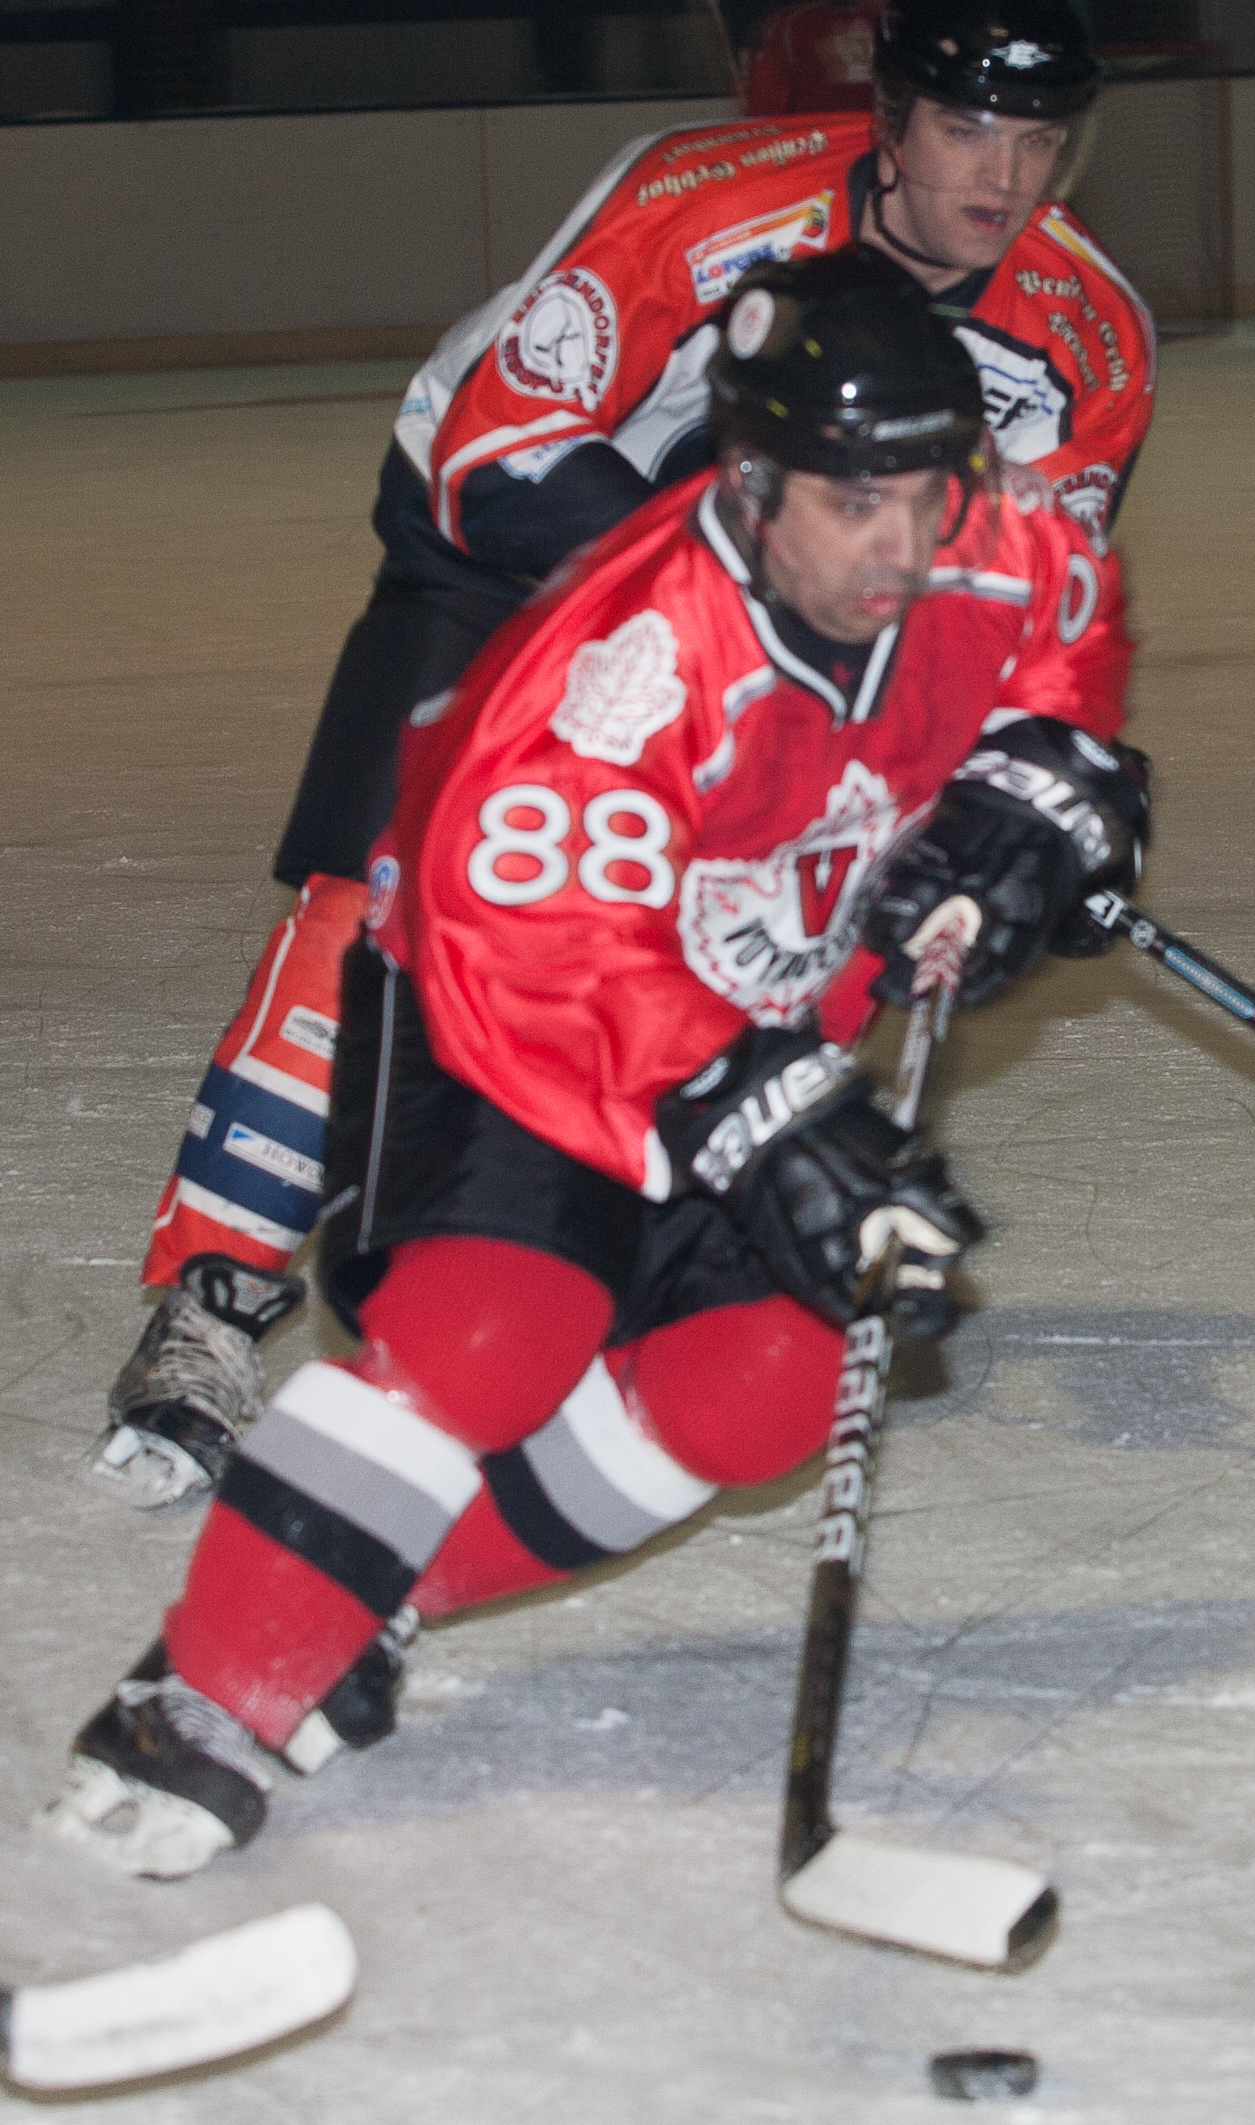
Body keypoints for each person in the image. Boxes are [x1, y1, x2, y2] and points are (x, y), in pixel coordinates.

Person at [43, 252, 1148, 1880]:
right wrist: (762, 1112)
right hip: (500, 1007)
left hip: (746, 1022)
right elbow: (550, 952)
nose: (903, 545)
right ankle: (197, 1699)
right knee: (494, 1326)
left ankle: (373, 1590)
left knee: (774, 1375)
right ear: (749, 482)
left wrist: (1035, 798)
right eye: (855, 504)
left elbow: (1064, 631)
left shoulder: (988, 536)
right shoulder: (625, 659)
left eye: (926, 493)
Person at [97, 0, 1156, 1514]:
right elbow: (502, 441)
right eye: (963, 130)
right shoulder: (707, 198)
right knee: (379, 901)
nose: (1001, 178)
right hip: (510, 553)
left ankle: (590, 1269)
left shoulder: (1088, 334)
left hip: (783, 632)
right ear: (890, 116)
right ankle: (214, 1294)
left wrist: (1035, 798)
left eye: (1038, 140)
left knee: (750, 931)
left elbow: (1013, 601)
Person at [743, 0, 883, 115]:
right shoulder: (788, 25)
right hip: (818, 131)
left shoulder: (885, 13)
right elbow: (765, 102)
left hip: (881, 127)